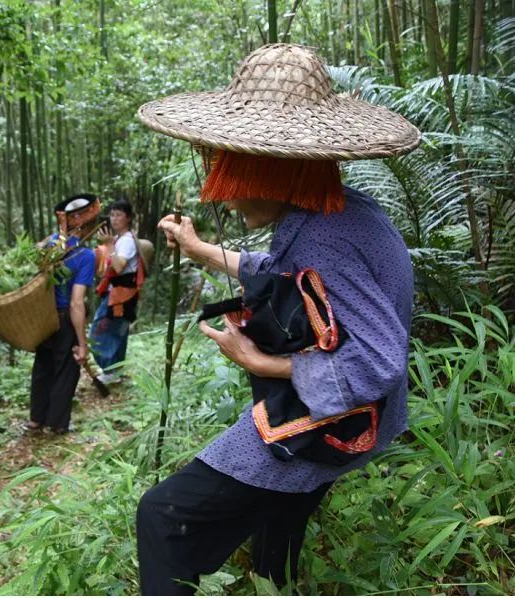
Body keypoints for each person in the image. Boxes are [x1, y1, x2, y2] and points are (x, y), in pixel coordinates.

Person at [134, 44, 420, 594]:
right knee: (277, 519)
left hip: (336, 421)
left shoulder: (326, 235)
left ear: (271, 167)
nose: (222, 188)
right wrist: (201, 249)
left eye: (230, 164)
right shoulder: (334, 210)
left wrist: (261, 360)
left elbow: (380, 362)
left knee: (164, 517)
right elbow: (288, 273)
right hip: (350, 412)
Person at [28, 194, 99, 434]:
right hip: (64, 319)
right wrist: (82, 343)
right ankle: (56, 425)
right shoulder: (86, 255)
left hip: (42, 317)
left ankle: (36, 420)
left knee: (43, 367)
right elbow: (77, 303)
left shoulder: (48, 247)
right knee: (65, 371)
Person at [90, 199, 144, 384]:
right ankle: (115, 371)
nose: (114, 219)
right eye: (112, 215)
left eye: (119, 215)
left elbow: (119, 266)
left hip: (121, 296)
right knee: (117, 333)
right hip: (121, 295)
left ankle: (108, 370)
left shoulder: (126, 240)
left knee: (99, 331)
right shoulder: (120, 239)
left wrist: (110, 246)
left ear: (128, 218)